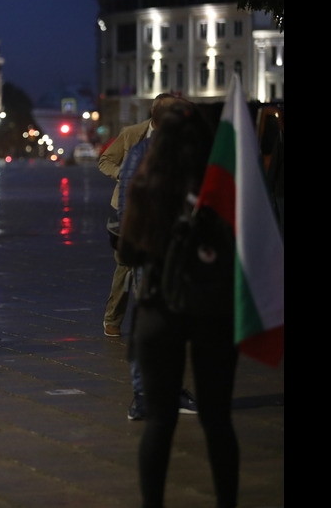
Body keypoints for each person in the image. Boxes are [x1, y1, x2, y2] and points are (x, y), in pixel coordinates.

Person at [118, 100, 239, 508]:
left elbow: (128, 253)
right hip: (214, 308)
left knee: (161, 421)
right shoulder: (222, 185)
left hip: (159, 308)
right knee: (218, 419)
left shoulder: (148, 186)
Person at [112, 94, 198, 421]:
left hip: (180, 252)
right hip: (151, 251)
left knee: (176, 324)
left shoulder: (186, 154)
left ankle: (171, 389)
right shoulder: (142, 153)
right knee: (149, 324)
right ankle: (143, 395)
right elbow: (128, 204)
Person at [98, 93, 175, 338]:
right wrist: (123, 173)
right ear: (155, 115)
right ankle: (112, 319)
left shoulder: (177, 137)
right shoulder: (132, 133)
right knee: (124, 264)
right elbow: (105, 161)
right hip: (128, 207)